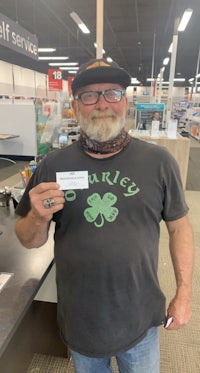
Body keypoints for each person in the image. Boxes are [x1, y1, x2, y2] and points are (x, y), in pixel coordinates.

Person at [15, 58, 194, 373]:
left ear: (124, 101)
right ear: (75, 106)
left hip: (140, 319)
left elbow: (180, 229)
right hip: (81, 321)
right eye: (89, 95)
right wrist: (39, 218)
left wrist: (184, 293)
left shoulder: (159, 162)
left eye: (111, 93)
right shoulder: (52, 166)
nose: (101, 104)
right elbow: (28, 238)